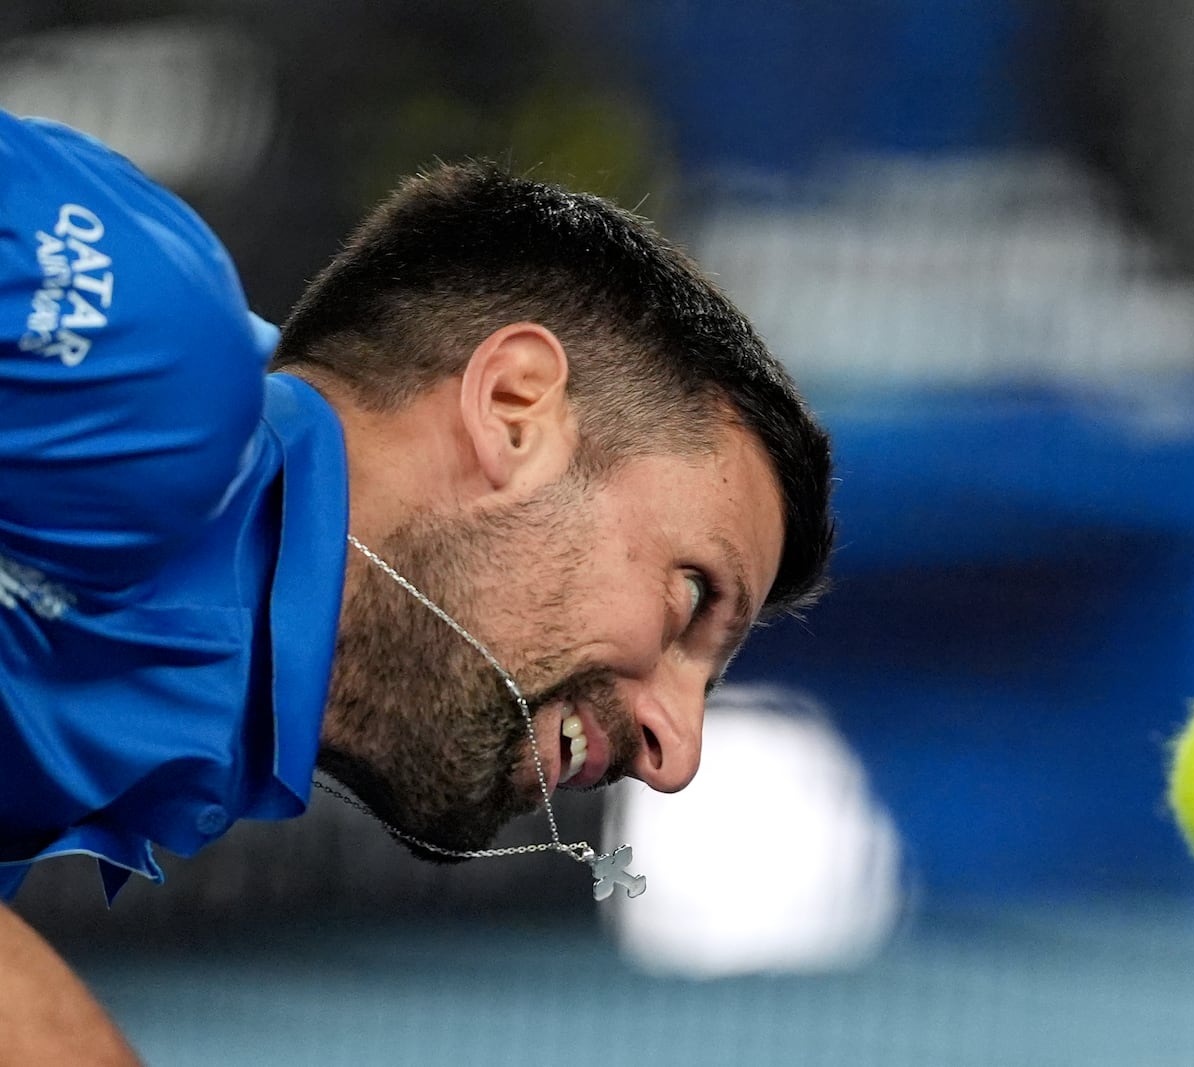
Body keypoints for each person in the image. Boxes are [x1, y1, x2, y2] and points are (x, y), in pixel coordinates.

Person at [0, 109, 834, 1061]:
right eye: (691, 600)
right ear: (515, 411)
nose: (675, 751)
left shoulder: (171, 745)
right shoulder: (159, 353)